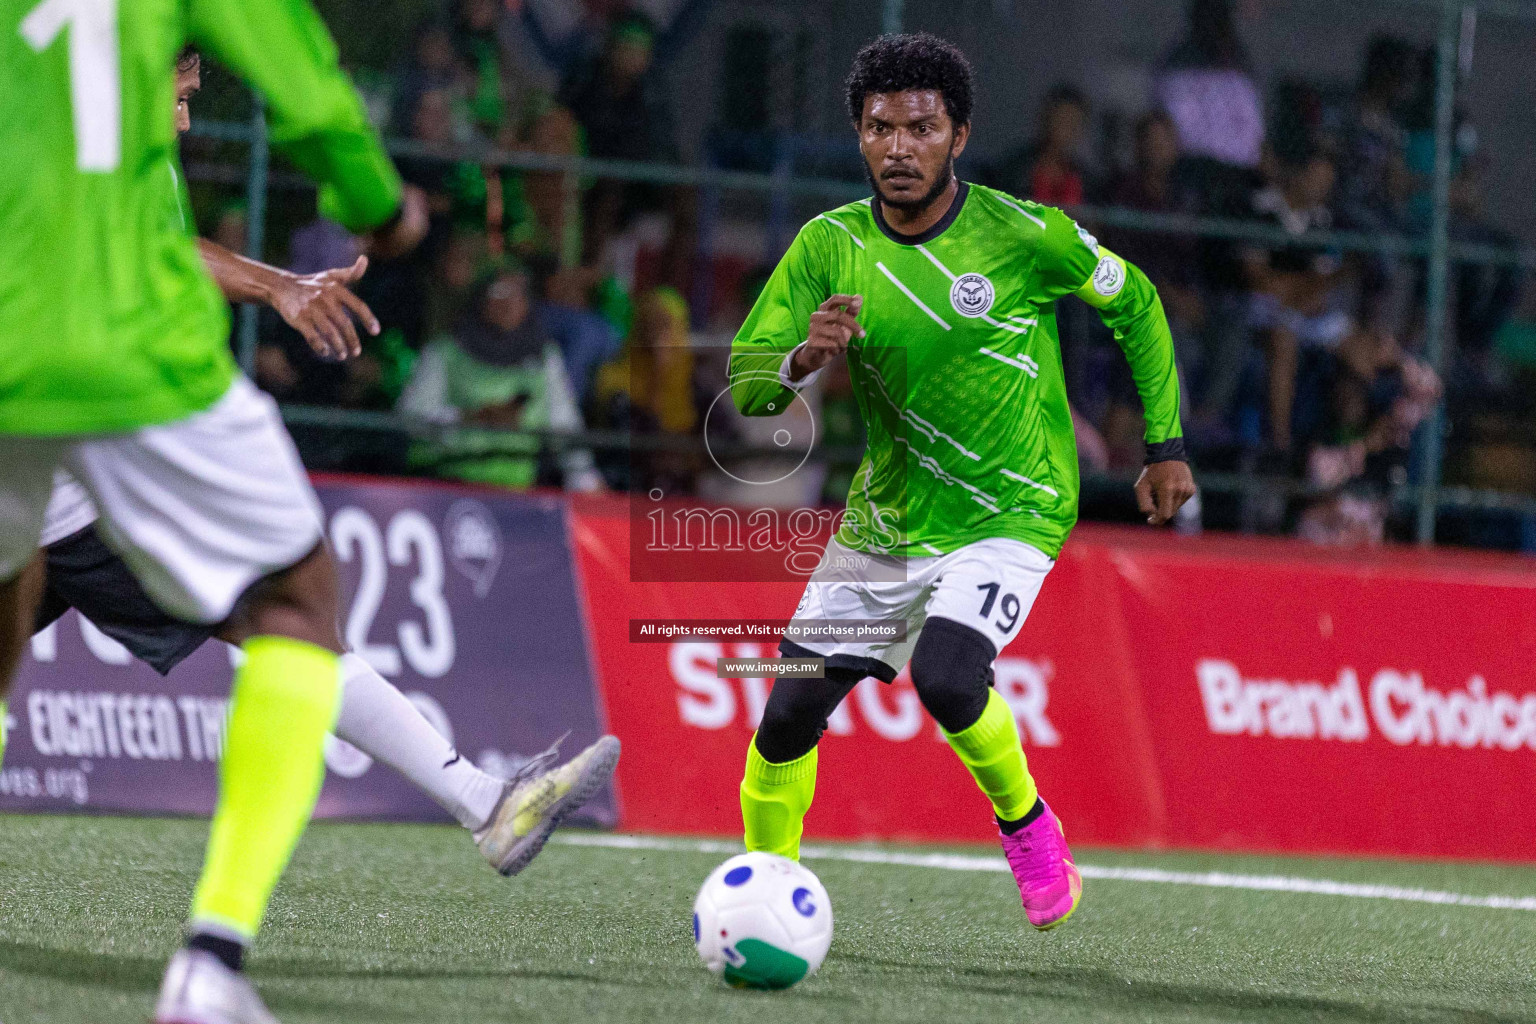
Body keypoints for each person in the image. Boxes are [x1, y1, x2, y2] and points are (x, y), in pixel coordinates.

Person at [0, 16, 592, 1024]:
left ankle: (483, 803)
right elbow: (316, 97)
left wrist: (275, 284)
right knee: (292, 603)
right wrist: (385, 210)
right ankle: (237, 941)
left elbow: (162, 242)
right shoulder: (134, 49)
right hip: (117, 396)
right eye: (182, 93)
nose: (186, 116)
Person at [729, 34, 1194, 932]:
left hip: (1013, 505)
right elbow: (749, 385)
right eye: (879, 129)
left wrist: (1165, 442)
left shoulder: (1023, 235)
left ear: (959, 136)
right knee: (787, 714)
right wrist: (800, 358)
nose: (899, 147)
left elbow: (1135, 299)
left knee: (947, 676)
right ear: (859, 137)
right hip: (890, 516)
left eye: (921, 128)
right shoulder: (828, 245)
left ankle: (1029, 827)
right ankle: (762, 897)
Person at [398, 262, 603, 492]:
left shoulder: (544, 358)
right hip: (443, 486)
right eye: (499, 293)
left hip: (515, 494)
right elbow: (410, 418)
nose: (508, 303)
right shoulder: (444, 352)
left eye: (518, 294)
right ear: (480, 298)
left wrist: (584, 478)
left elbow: (564, 423)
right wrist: (471, 418)